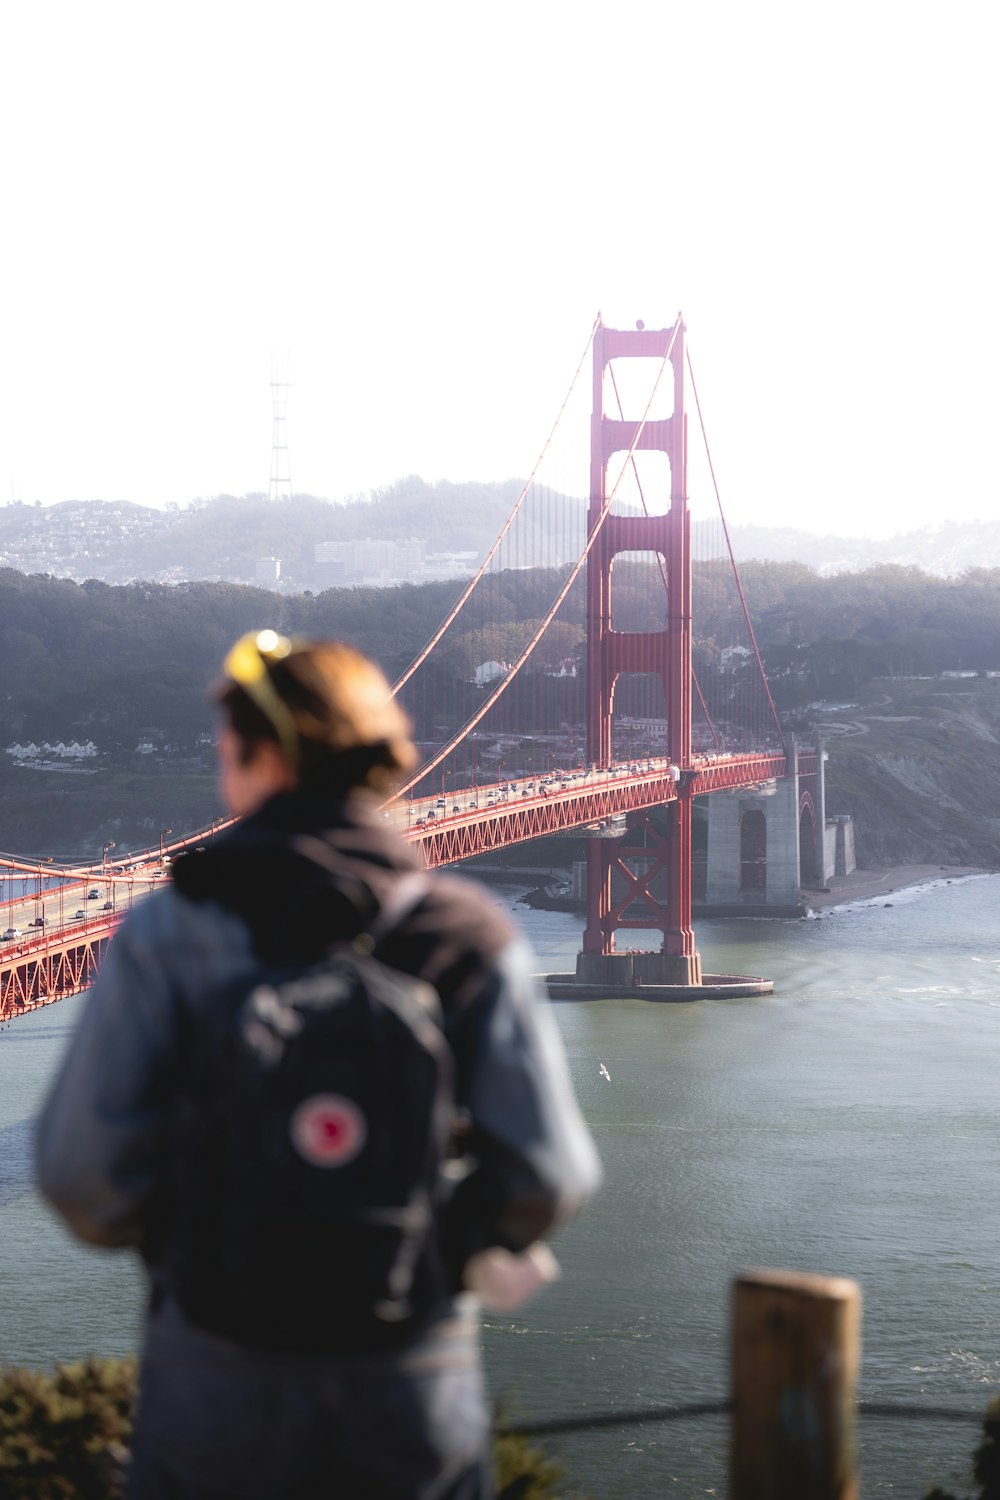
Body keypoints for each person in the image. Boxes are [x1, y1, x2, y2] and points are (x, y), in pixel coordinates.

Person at [36, 630, 601, 1500]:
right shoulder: (467, 931)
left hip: (216, 1364)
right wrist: (432, 1251)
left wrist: (203, 1236)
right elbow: (548, 1177)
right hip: (410, 1367)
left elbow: (82, 1177)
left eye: (228, 744)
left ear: (260, 756)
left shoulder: (170, 931)